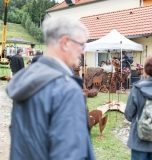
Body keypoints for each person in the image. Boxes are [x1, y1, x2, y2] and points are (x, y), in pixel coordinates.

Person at [6, 17, 95, 160]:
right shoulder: (66, 89)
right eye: (81, 45)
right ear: (65, 42)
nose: (83, 51)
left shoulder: (28, 80)